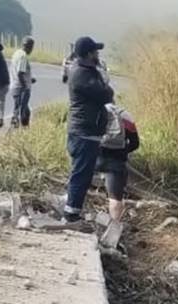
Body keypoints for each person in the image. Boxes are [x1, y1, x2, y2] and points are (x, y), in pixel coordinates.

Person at [64, 36, 114, 223]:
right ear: (87, 54)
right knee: (81, 174)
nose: (98, 54)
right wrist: (104, 80)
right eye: (95, 52)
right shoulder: (83, 75)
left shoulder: (84, 71)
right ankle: (71, 214)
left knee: (80, 173)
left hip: (83, 132)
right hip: (84, 133)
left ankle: (72, 206)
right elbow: (105, 95)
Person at [97, 103, 139, 222]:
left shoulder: (93, 111)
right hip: (116, 160)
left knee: (80, 185)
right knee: (115, 198)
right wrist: (123, 152)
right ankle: (113, 228)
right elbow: (135, 143)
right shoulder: (125, 115)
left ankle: (73, 216)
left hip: (93, 158)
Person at [10, 37, 36, 128]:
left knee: (25, 111)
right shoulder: (23, 56)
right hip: (21, 88)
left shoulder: (16, 53)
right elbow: (20, 73)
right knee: (21, 110)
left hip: (14, 85)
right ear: (29, 46)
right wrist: (25, 85)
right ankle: (17, 128)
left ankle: (24, 128)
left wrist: (29, 79)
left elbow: (19, 71)